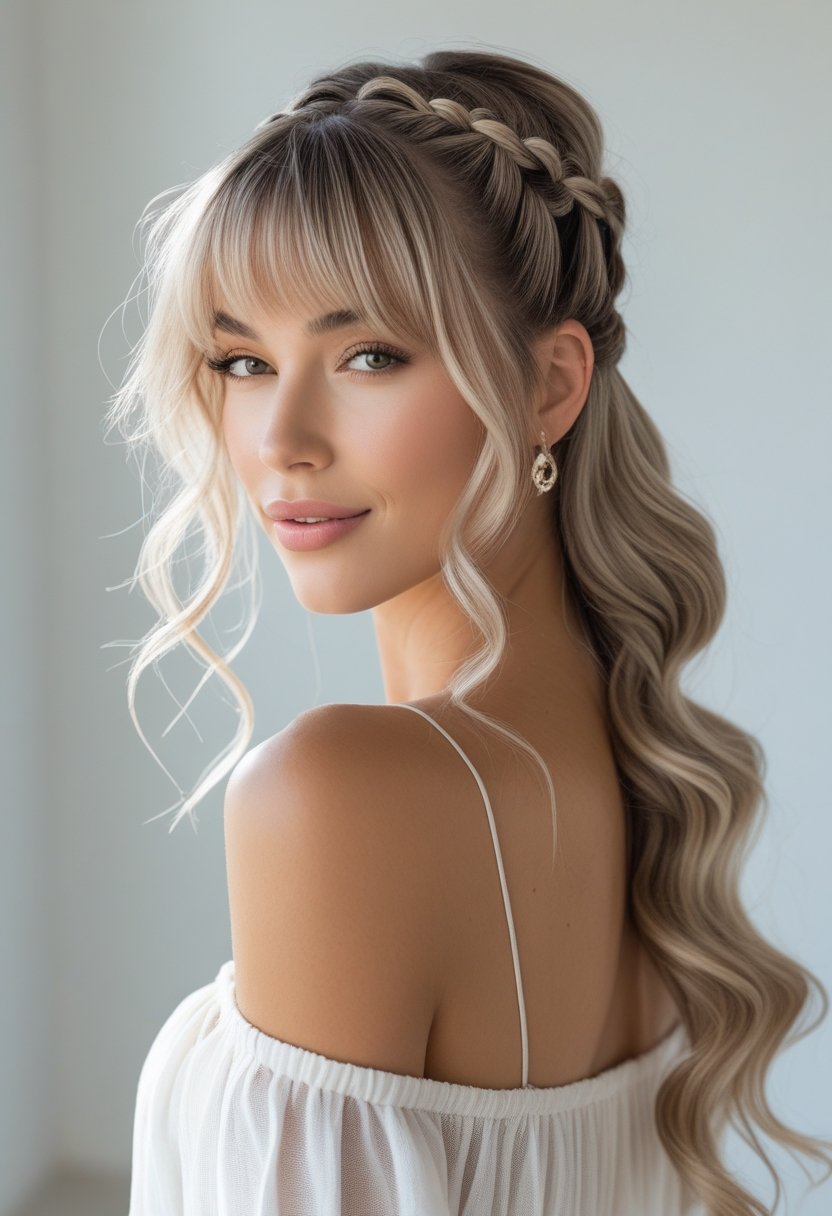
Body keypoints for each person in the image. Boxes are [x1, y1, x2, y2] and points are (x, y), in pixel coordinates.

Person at [108, 46, 832, 1216]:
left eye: (368, 356)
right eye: (242, 358)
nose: (281, 435)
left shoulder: (337, 792)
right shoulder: (636, 752)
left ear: (551, 384)